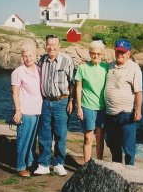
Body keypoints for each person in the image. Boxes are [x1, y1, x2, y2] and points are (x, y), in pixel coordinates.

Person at [34, 34, 75, 176]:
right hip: (45, 102)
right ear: (45, 45)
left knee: (60, 135)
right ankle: (44, 164)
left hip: (61, 102)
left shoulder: (67, 60)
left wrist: (71, 101)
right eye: (49, 44)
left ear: (59, 46)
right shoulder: (42, 60)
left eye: (54, 44)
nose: (51, 47)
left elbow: (73, 83)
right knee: (44, 134)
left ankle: (58, 163)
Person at [104, 39, 143, 166]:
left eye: (123, 52)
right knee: (113, 146)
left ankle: (129, 174)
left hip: (126, 115)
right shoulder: (109, 66)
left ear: (128, 54)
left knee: (128, 148)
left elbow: (138, 91)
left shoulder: (134, 68)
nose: (120, 54)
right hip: (109, 114)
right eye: (118, 51)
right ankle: (117, 172)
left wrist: (138, 110)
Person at [11, 43, 43, 177]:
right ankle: (20, 167)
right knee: (23, 140)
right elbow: (15, 93)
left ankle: (30, 163)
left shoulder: (39, 70)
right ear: (22, 58)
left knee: (32, 140)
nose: (28, 58)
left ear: (35, 56)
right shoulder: (18, 72)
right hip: (25, 111)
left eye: (30, 55)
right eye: (25, 56)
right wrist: (18, 111)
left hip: (38, 111)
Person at [75, 40, 108, 163]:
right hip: (87, 107)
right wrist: (79, 107)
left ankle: (99, 163)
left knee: (100, 137)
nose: (96, 56)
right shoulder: (82, 68)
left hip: (102, 108)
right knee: (88, 137)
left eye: (99, 54)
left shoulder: (106, 67)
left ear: (102, 54)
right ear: (89, 53)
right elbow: (79, 88)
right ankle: (87, 165)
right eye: (93, 53)